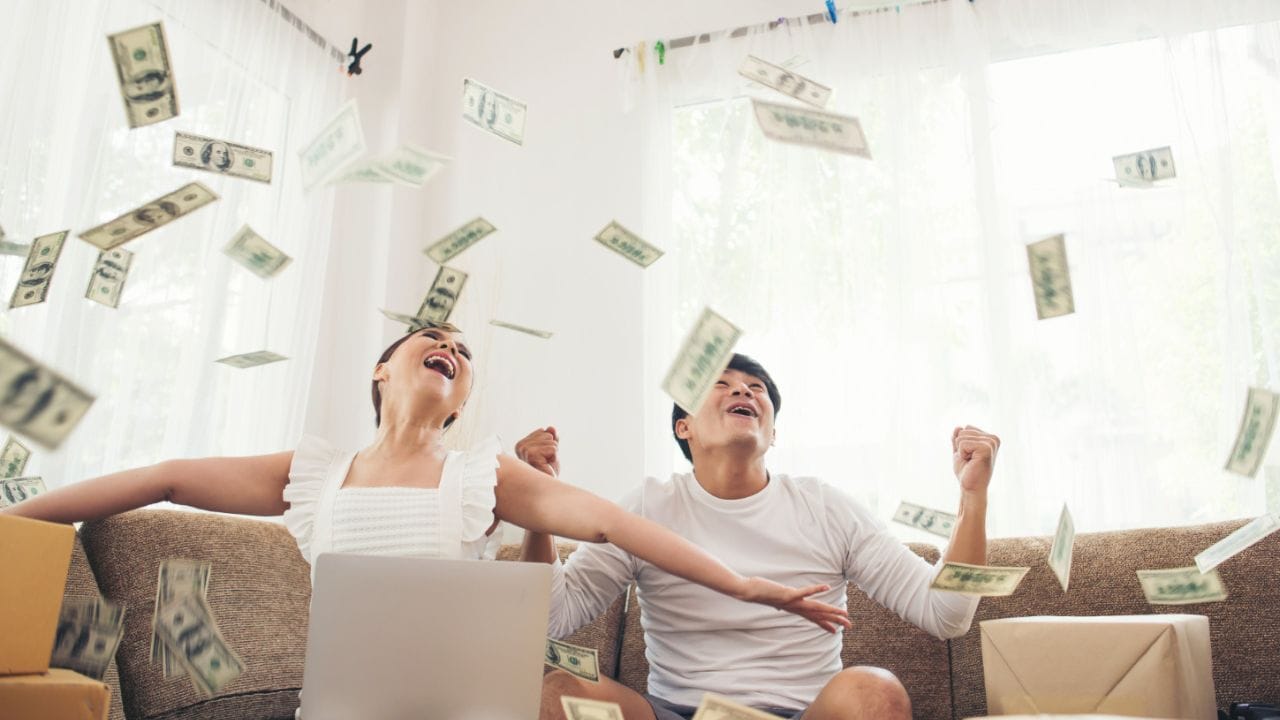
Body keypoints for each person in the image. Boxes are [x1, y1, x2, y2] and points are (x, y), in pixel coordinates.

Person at [2, 325, 849, 635]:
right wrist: (17, 522)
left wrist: (747, 585)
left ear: (463, 397)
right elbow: (166, 478)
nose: (452, 347)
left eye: (465, 354)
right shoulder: (314, 474)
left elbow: (614, 525)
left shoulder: (485, 474)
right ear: (382, 369)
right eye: (431, 338)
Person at [518, 353, 1000, 720]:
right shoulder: (647, 505)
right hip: (677, 714)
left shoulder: (825, 507)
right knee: (561, 691)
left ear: (774, 432)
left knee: (875, 691)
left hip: (802, 714)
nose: (743, 392)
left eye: (756, 388)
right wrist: (537, 505)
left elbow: (949, 614)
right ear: (683, 427)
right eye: (720, 385)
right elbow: (553, 615)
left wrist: (972, 500)